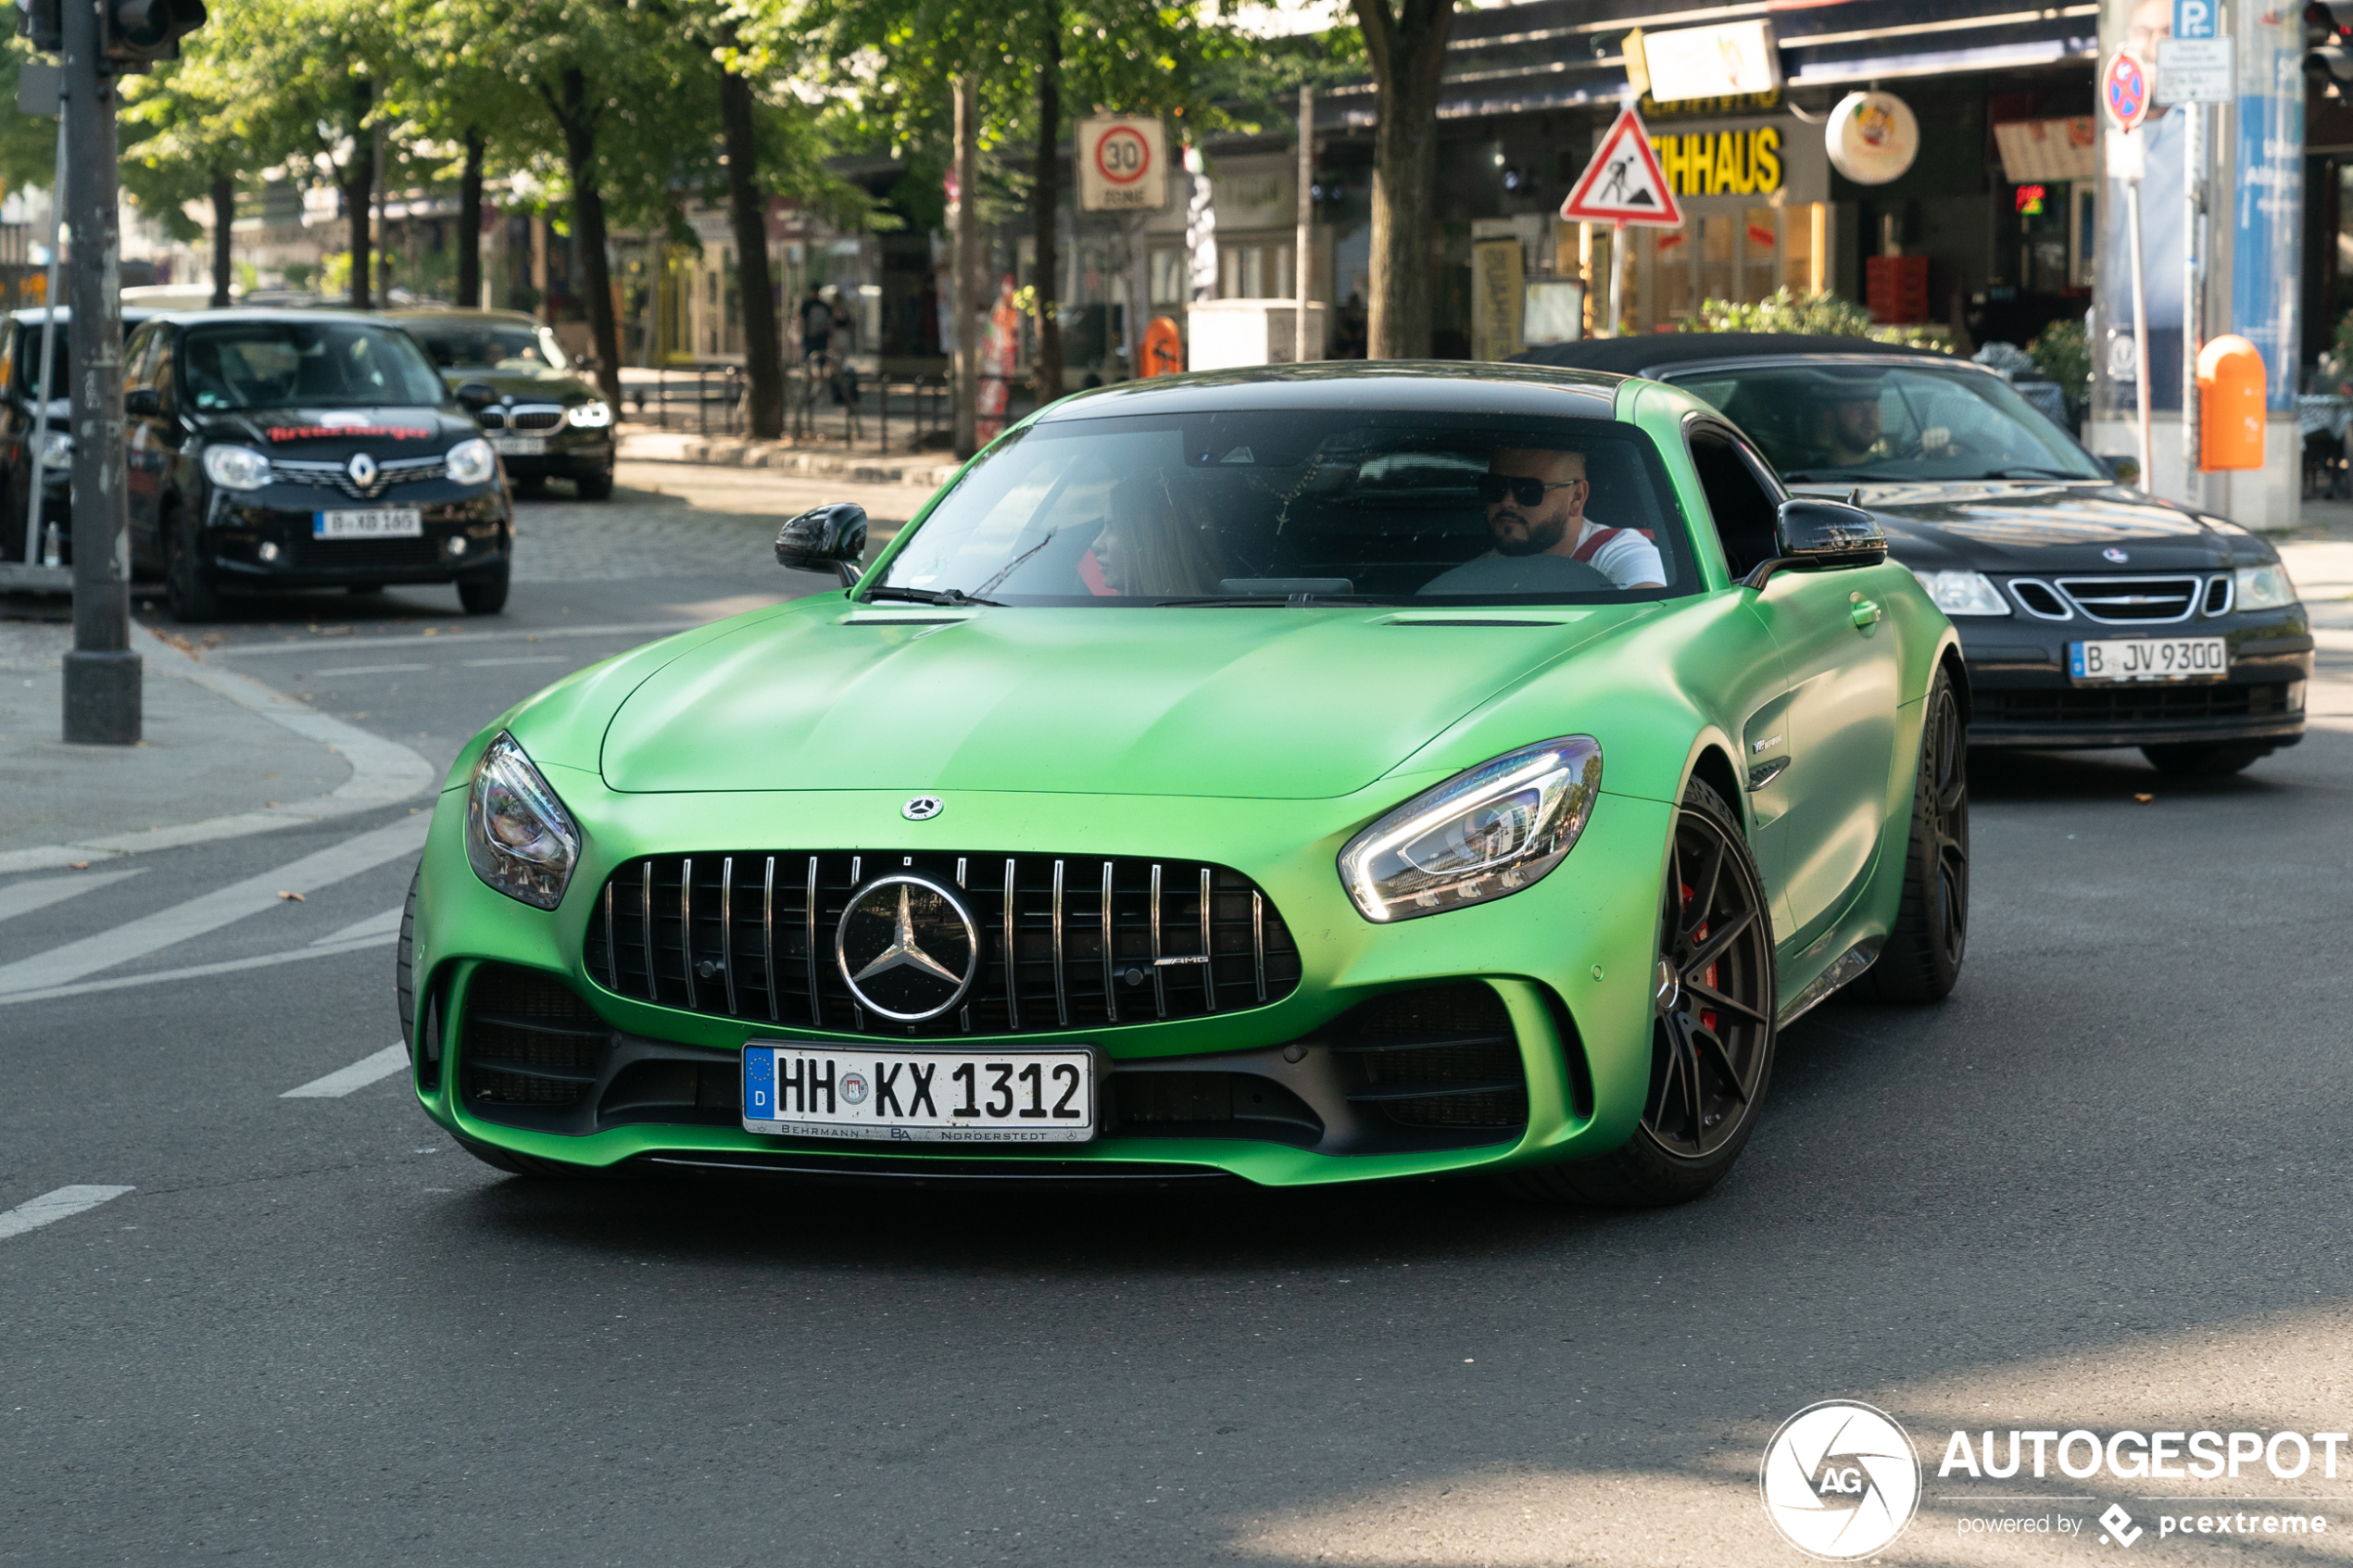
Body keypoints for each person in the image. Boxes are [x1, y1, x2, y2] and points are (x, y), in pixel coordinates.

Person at [1421, 446, 1666, 595]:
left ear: (1576, 498)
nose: (1507, 502)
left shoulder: (1621, 554)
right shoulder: (1476, 576)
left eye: (1528, 490)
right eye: (1494, 487)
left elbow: (1653, 621)